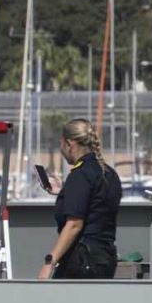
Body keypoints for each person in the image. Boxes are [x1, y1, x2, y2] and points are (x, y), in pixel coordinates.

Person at [38, 117, 121, 280]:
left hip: (82, 260)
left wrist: (49, 262)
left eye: (61, 144)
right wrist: (65, 192)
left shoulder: (80, 175)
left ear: (69, 144)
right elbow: (95, 204)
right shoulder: (109, 173)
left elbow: (74, 225)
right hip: (105, 258)